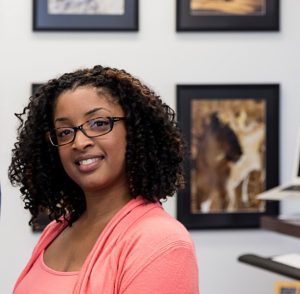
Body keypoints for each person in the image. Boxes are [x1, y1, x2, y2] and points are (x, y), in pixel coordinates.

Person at [9, 65, 199, 293]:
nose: (79, 143)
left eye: (99, 123)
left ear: (134, 130)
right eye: (65, 132)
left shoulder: (161, 241)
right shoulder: (56, 230)